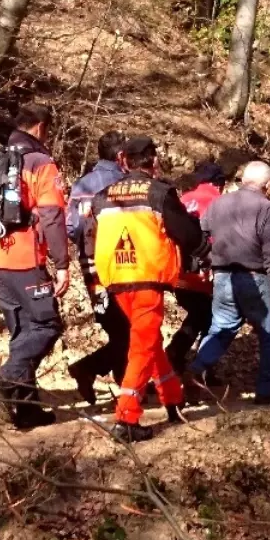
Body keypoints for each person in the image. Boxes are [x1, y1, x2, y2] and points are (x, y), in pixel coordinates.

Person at [85, 136, 206, 441]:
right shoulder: (159, 192)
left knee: (148, 343)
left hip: (115, 280)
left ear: (124, 161)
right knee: (142, 347)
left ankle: (173, 401)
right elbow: (187, 234)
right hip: (147, 279)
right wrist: (204, 249)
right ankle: (126, 418)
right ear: (152, 161)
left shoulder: (102, 196)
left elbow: (89, 236)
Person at [0, 104, 70, 428]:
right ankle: (4, 381)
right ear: (41, 127)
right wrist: (62, 263)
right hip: (23, 258)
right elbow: (53, 214)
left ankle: (24, 408)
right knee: (46, 325)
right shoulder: (40, 163)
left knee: (23, 331)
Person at [187, 161, 270, 404]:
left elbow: (199, 233)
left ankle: (196, 369)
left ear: (242, 179)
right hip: (256, 277)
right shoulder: (267, 209)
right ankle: (266, 391)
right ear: (268, 184)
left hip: (222, 277)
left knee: (221, 329)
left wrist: (207, 261)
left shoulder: (218, 203)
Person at [67, 130, 129, 404]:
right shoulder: (125, 184)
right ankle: (89, 368)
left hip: (91, 265)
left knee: (116, 323)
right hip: (123, 263)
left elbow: (72, 227)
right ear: (120, 156)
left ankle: (127, 380)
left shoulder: (82, 185)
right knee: (129, 325)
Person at [165, 161, 226, 377]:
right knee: (212, 317)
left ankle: (186, 360)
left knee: (201, 314)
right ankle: (191, 361)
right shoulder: (220, 202)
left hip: (178, 271)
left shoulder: (183, 199)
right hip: (205, 272)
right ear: (220, 184)